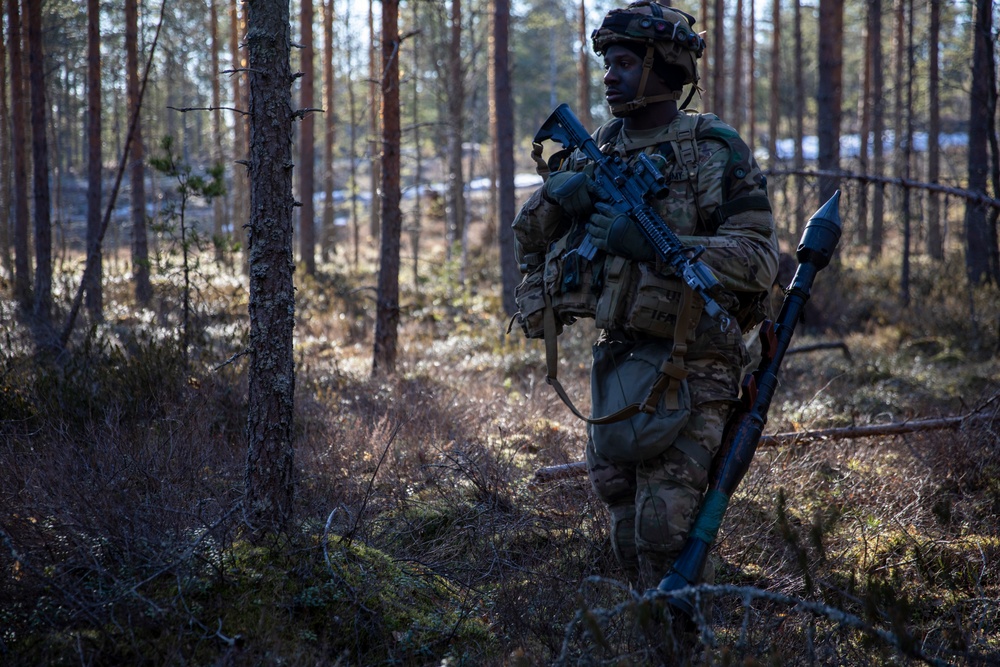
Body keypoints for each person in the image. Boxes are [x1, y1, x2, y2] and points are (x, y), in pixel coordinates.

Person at [511, 1, 779, 592]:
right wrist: (563, 196)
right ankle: (638, 634)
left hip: (698, 364)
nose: (610, 74)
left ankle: (680, 635)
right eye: (607, 62)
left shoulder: (711, 149)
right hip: (621, 360)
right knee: (621, 516)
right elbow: (527, 235)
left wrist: (660, 246)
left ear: (666, 67)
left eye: (626, 62)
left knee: (665, 534)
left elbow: (759, 260)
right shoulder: (594, 147)